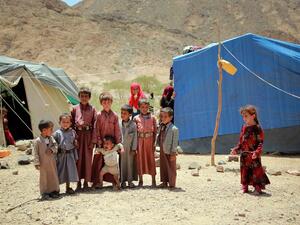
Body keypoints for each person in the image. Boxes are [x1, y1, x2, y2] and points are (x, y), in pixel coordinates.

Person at [230, 105, 270, 195]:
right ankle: (245, 188)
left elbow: (260, 142)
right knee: (244, 171)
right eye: (243, 116)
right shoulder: (244, 128)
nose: (244, 118)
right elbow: (241, 141)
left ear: (253, 116)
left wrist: (257, 152)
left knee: (256, 171)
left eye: (246, 116)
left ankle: (258, 188)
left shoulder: (257, 128)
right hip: (244, 155)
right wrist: (236, 149)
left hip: (253, 155)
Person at [91, 92, 122, 189]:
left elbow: (117, 130)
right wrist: (99, 142)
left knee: (112, 162)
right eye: (104, 102)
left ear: (111, 102)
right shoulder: (99, 115)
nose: (106, 104)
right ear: (101, 103)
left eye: (108, 102)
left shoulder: (115, 115)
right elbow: (96, 129)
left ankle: (114, 182)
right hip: (101, 143)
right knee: (99, 162)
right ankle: (98, 182)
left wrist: (117, 143)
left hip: (112, 144)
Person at [71, 87, 97, 191]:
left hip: (88, 135)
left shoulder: (93, 109)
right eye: (82, 96)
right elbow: (71, 125)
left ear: (89, 97)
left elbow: (95, 125)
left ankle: (86, 182)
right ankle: (78, 183)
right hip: (78, 135)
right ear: (79, 97)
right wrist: (73, 138)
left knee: (87, 159)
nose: (84, 98)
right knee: (78, 160)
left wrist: (93, 140)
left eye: (86, 96)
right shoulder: (74, 108)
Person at [33, 120, 60, 200]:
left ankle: (54, 191)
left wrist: (52, 150)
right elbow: (35, 153)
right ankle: (44, 192)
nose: (52, 131)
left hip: (52, 162)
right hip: (43, 163)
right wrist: (36, 163)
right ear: (44, 130)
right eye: (51, 129)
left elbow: (56, 146)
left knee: (53, 176)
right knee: (44, 177)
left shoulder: (51, 138)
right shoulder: (37, 141)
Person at [133, 98, 157, 187]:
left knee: (151, 160)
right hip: (140, 142)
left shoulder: (153, 118)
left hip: (149, 141)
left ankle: (153, 180)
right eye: (142, 107)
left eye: (146, 107)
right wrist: (134, 145)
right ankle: (141, 180)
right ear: (139, 107)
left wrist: (155, 143)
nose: (144, 109)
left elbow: (156, 132)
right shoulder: (136, 118)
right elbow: (134, 133)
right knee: (140, 160)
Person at [53, 113, 79, 195]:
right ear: (59, 122)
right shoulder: (57, 133)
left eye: (67, 122)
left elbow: (75, 142)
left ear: (70, 123)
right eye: (63, 122)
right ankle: (56, 189)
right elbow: (54, 144)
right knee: (60, 171)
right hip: (61, 155)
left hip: (70, 154)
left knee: (69, 171)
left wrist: (75, 143)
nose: (65, 124)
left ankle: (68, 187)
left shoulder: (73, 132)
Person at [157, 107, 179, 189]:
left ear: (171, 117)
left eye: (165, 117)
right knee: (163, 166)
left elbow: (175, 142)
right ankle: (164, 182)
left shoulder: (174, 129)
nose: (163, 118)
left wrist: (173, 153)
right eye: (162, 116)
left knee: (171, 167)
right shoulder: (161, 126)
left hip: (170, 151)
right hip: (163, 150)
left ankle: (172, 183)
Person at [120, 104, 138, 188]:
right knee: (122, 164)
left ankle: (130, 181)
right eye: (121, 113)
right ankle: (122, 181)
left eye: (125, 113)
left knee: (130, 165)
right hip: (122, 148)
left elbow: (135, 138)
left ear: (130, 114)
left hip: (130, 148)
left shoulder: (133, 125)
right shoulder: (119, 124)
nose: (122, 115)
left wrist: (134, 149)